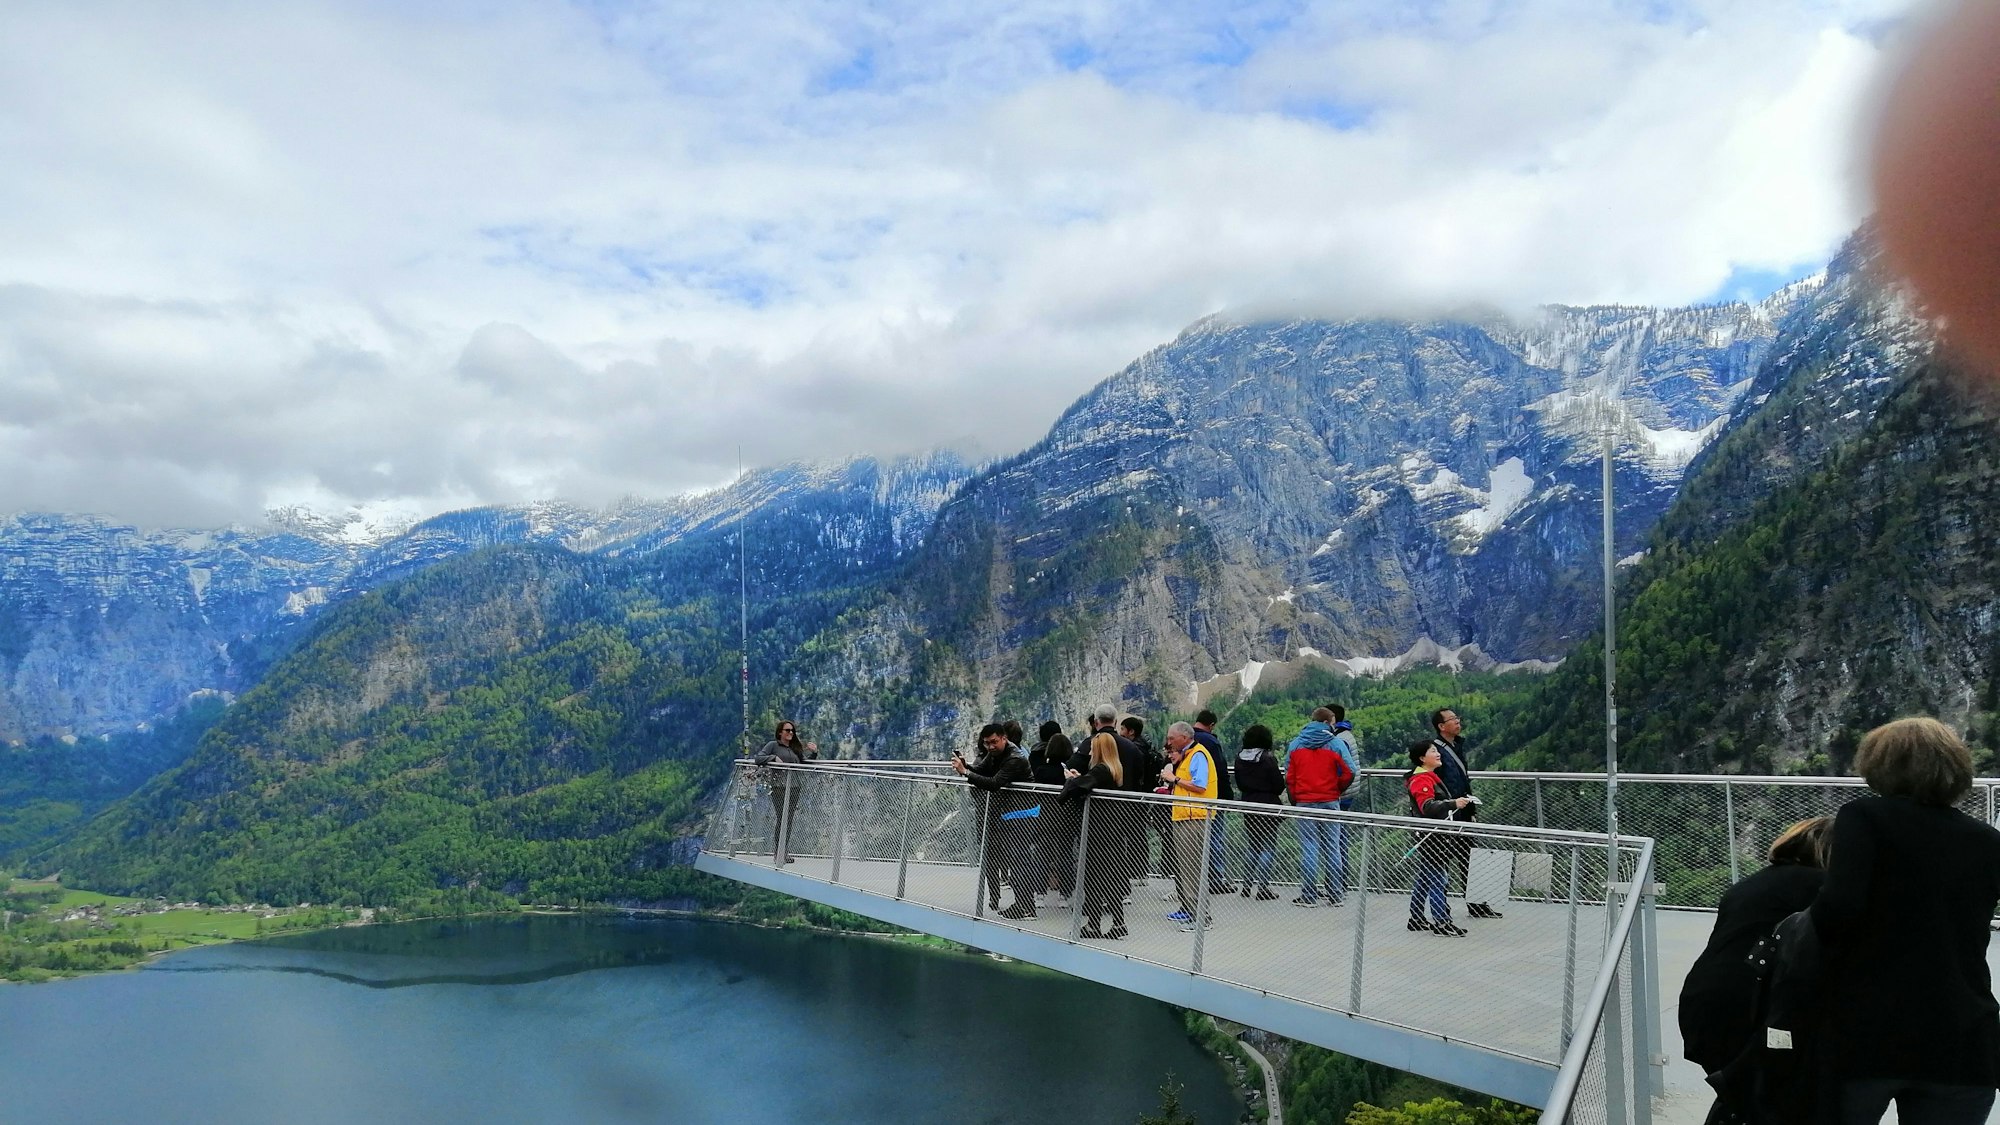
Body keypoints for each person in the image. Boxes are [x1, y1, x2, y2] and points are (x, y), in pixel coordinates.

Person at [1808, 718, 2000, 1125]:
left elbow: (1838, 909)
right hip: (1962, 1033)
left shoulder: (1865, 817)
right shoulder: (1987, 840)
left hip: (1868, 1028)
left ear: (1879, 765)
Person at [1679, 818, 1833, 1123]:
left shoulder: (1753, 883)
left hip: (1702, 1003)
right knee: (1767, 1101)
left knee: (1744, 1098)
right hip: (1745, 1008)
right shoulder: (1817, 887)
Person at [953, 722, 1038, 919]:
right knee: (1016, 861)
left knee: (1019, 862)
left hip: (1022, 813)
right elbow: (983, 771)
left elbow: (994, 783)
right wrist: (967, 766)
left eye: (993, 742)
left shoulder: (1015, 758)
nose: (990, 747)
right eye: (986, 743)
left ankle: (1026, 907)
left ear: (1004, 738)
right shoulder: (996, 754)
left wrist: (966, 773)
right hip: (1010, 813)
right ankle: (1023, 905)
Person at [1431, 708, 1501, 919]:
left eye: (1457, 718)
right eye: (1452, 719)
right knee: (1444, 859)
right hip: (1449, 811)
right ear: (1442, 726)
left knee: (1469, 855)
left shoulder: (1456, 746)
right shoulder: (1436, 750)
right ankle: (1442, 911)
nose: (1457, 722)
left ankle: (1477, 904)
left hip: (1463, 807)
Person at [1061, 732, 1130, 939]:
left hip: (1098, 831)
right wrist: (1078, 778)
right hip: (1111, 830)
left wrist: (1071, 781)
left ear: (1099, 750)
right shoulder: (1113, 769)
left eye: (1092, 748)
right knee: (1108, 877)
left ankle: (1094, 924)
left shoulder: (1101, 769)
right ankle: (1115, 923)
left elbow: (1077, 788)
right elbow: (1086, 782)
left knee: (1093, 877)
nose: (1089, 752)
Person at [1287, 707, 1355, 906]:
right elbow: (1349, 771)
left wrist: (1295, 796)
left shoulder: (1296, 744)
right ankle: (1335, 895)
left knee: (1309, 847)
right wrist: (1337, 789)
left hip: (1305, 801)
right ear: (1327, 723)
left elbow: (1289, 775)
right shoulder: (1335, 743)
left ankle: (1308, 896)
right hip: (1330, 800)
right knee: (1333, 847)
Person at [1405, 740, 1469, 937]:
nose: (1438, 753)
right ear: (1422, 758)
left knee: (1426, 877)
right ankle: (1442, 922)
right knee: (1439, 879)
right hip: (1432, 837)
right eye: (1433, 751)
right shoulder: (1422, 779)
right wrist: (1453, 803)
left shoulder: (1425, 776)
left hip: (1430, 835)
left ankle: (1416, 917)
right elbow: (1427, 807)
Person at [1160, 721, 1218, 931]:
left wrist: (1173, 779)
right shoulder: (1188, 754)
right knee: (1187, 868)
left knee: (1193, 868)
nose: (1169, 742)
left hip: (1194, 817)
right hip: (1185, 815)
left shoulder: (1198, 754)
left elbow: (1200, 786)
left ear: (1184, 737)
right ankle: (1194, 913)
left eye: (1171, 738)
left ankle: (1202, 917)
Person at [1232, 723, 1286, 900]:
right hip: (1268, 805)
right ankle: (1263, 888)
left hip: (1248, 803)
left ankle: (1246, 886)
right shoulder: (1267, 758)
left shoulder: (1239, 758)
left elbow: (1239, 784)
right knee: (1268, 846)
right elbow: (1278, 785)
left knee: (1253, 846)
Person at [752, 719, 818, 862]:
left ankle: (782, 852)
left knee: (788, 820)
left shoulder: (795, 748)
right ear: (780, 732)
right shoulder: (773, 745)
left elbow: (804, 763)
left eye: (792, 731)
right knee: (783, 818)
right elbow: (758, 758)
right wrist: (773, 758)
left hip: (794, 786)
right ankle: (779, 852)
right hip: (779, 786)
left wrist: (814, 753)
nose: (791, 733)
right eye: (788, 730)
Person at [1029, 722, 1076, 905]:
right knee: (1065, 854)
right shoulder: (1067, 774)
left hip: (1045, 816)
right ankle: (1064, 895)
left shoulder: (1041, 771)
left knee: (1042, 853)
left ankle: (1039, 894)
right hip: (1066, 817)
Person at [1192, 709, 1236, 893]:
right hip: (1211, 796)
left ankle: (1195, 880)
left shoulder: (1186, 738)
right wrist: (1227, 795)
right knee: (1215, 838)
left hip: (1188, 797)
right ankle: (1217, 880)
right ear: (1211, 725)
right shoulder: (1210, 741)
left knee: (1193, 840)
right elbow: (1220, 770)